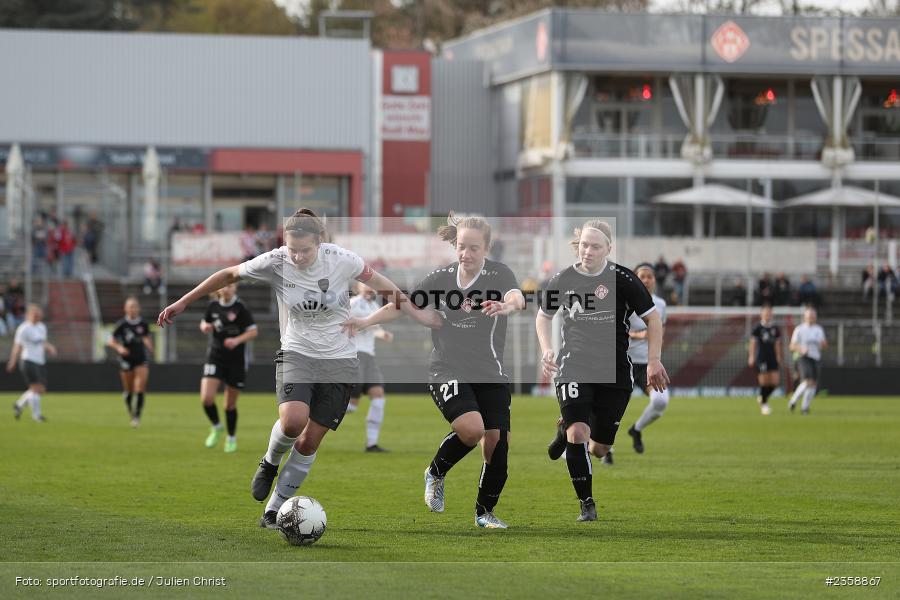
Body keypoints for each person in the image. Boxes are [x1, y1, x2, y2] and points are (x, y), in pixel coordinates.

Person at [157, 208, 436, 530]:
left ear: (320, 242)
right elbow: (228, 274)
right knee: (292, 422)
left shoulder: (343, 260)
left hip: (340, 361)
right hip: (297, 352)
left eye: (305, 250)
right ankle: (269, 462)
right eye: (292, 249)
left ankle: (274, 510)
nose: (298, 257)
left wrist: (418, 314)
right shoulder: (275, 261)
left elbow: (386, 288)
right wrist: (184, 301)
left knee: (308, 443)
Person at [344, 213, 525, 529]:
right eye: (461, 247)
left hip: (489, 371)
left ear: (486, 248)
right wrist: (365, 322)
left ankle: (484, 513)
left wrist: (506, 306)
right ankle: (435, 472)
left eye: (473, 248)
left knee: (498, 444)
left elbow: (517, 297)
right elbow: (403, 305)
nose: (466, 253)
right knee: (472, 430)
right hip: (447, 368)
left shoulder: (499, 274)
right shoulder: (441, 278)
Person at [539, 220, 669, 522]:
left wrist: (653, 360)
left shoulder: (624, 279)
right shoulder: (563, 279)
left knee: (599, 448)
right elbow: (543, 316)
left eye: (595, 246)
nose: (588, 251)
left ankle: (563, 429)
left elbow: (653, 320)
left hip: (615, 372)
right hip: (574, 365)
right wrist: (546, 349)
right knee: (578, 432)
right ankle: (586, 503)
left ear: (608, 249)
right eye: (584, 245)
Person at [199, 282, 257, 453]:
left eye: (230, 286)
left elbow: (253, 331)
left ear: (235, 288)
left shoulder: (240, 308)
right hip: (215, 356)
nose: (226, 288)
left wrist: (236, 340)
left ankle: (231, 438)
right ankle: (217, 426)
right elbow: (204, 322)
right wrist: (204, 327)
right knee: (206, 398)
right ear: (218, 288)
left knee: (229, 405)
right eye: (224, 286)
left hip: (236, 360)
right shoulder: (213, 306)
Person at [623, 263, 669, 456]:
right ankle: (606, 450)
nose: (646, 280)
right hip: (622, 362)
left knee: (660, 401)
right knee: (609, 408)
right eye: (642, 276)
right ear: (635, 278)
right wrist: (637, 335)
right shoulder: (623, 299)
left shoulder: (660, 304)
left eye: (650, 276)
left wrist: (655, 354)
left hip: (646, 365)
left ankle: (636, 429)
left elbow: (659, 333)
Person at [346, 282, 394, 452]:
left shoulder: (374, 306)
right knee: (351, 406)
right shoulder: (353, 303)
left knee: (378, 397)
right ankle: (313, 414)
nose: (370, 287)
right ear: (357, 287)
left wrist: (383, 334)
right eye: (365, 284)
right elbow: (342, 323)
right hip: (355, 355)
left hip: (369, 356)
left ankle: (371, 444)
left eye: (372, 285)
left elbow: (374, 328)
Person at [107, 297, 153, 427]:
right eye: (130, 306)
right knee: (129, 389)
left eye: (135, 306)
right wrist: (119, 348)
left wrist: (150, 347)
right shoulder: (121, 324)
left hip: (141, 358)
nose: (133, 309)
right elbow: (110, 341)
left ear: (139, 308)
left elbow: (146, 337)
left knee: (140, 387)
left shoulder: (143, 324)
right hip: (126, 359)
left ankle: (137, 416)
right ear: (125, 309)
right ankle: (129, 405)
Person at [7, 304, 56, 422]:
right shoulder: (23, 328)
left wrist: (49, 347)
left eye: (39, 315)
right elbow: (17, 346)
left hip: (39, 361)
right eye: (35, 315)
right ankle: (36, 416)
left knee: (41, 389)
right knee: (35, 388)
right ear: (28, 315)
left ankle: (19, 404)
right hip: (28, 360)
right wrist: (12, 361)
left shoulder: (41, 327)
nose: (37, 317)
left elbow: (42, 341)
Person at [788, 306, 827, 415]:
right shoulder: (799, 329)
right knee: (807, 381)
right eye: (809, 316)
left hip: (816, 358)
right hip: (803, 357)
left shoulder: (819, 330)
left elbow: (824, 344)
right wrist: (801, 349)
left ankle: (805, 407)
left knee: (813, 384)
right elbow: (792, 345)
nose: (811, 318)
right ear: (805, 317)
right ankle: (793, 400)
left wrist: (823, 345)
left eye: (813, 316)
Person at [748, 305, 782, 416]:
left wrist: (778, 356)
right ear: (761, 315)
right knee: (764, 381)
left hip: (772, 357)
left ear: (772, 315)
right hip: (761, 357)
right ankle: (764, 404)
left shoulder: (775, 329)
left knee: (775, 382)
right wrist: (751, 356)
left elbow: (777, 344)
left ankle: (762, 397)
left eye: (769, 313)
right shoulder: (757, 328)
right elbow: (753, 343)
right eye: (765, 313)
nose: (767, 315)